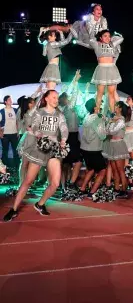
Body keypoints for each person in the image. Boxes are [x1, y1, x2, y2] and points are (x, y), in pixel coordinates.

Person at [3, 90, 69, 222]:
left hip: (53, 150)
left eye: (57, 97)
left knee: (55, 183)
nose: (56, 100)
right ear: (47, 99)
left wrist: (63, 140)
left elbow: (63, 128)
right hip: (40, 149)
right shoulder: (39, 112)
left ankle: (40, 204)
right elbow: (34, 126)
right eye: (54, 97)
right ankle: (14, 209)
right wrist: (40, 135)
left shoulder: (59, 114)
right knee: (28, 181)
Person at [74, 29, 123, 114]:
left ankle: (112, 113)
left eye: (109, 36)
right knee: (99, 93)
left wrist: (116, 35)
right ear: (100, 37)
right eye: (105, 36)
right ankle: (96, 113)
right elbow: (91, 39)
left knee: (111, 94)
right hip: (101, 69)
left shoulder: (112, 44)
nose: (108, 38)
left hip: (112, 69)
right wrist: (95, 29)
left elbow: (121, 39)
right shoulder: (97, 45)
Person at [102, 101, 131, 198]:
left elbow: (112, 131)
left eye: (117, 107)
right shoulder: (113, 119)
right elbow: (106, 130)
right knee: (114, 169)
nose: (115, 108)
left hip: (119, 144)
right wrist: (110, 122)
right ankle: (116, 188)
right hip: (112, 144)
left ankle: (124, 189)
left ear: (120, 108)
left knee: (120, 169)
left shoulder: (121, 120)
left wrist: (111, 122)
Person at [0, 95, 19, 168]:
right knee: (5, 151)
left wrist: (17, 131)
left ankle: (16, 165)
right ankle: (5, 166)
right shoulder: (2, 111)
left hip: (14, 133)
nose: (11, 101)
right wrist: (0, 132)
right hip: (5, 134)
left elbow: (17, 121)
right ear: (5, 102)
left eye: (11, 99)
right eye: (9, 100)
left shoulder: (15, 110)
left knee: (16, 150)